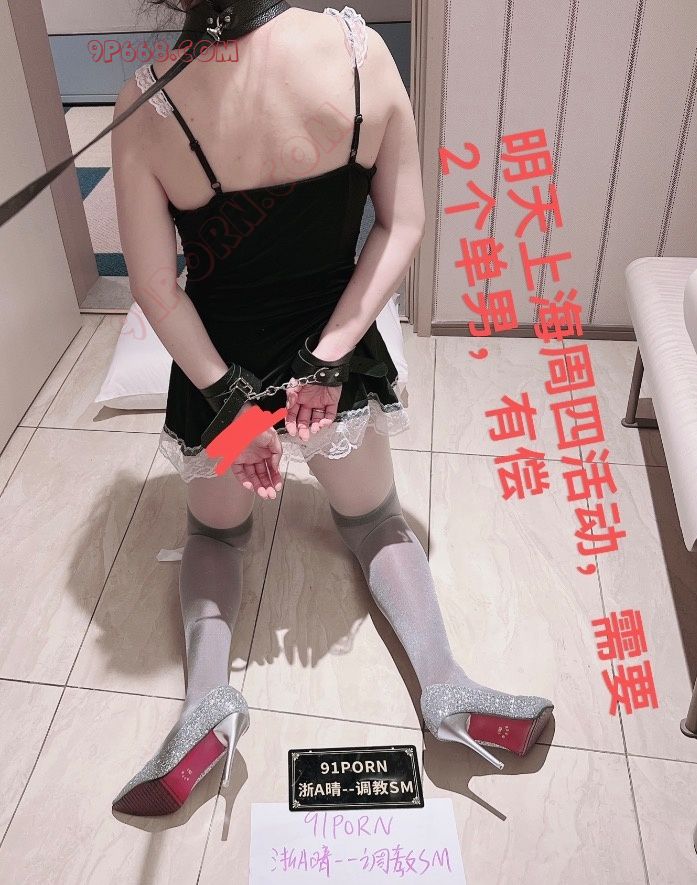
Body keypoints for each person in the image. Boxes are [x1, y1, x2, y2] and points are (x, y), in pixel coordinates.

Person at [110, 0, 554, 817]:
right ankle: (446, 685)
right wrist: (326, 357)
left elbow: (154, 287)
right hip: (334, 362)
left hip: (221, 370)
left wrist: (236, 408)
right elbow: (404, 223)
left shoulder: (151, 99)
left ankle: (205, 703)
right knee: (378, 522)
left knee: (216, 534)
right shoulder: (358, 50)